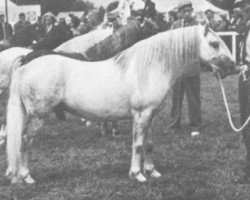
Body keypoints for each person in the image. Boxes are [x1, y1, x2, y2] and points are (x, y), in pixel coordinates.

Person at [168, 0, 201, 136]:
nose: (187, 13)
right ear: (179, 13)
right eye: (184, 11)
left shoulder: (197, 25)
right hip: (177, 68)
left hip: (191, 66)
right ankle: (174, 124)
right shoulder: (175, 25)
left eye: (189, 11)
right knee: (176, 98)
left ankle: (195, 125)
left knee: (193, 98)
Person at [237, 0, 250, 183]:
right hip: (245, 77)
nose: (242, 11)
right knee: (245, 122)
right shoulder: (245, 29)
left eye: (246, 8)